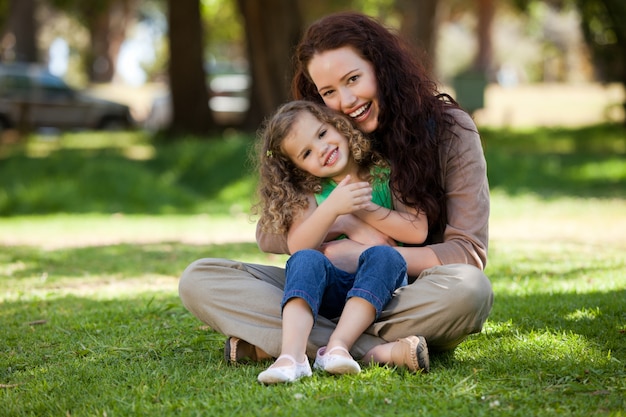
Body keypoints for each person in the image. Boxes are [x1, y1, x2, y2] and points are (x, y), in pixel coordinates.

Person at [179, 11, 493, 373]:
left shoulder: (449, 130)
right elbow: (270, 235)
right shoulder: (321, 141)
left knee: (470, 290)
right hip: (320, 285)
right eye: (329, 92)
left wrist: (362, 250)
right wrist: (331, 221)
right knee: (200, 280)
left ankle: (291, 345)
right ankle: (373, 350)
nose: (345, 101)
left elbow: (466, 252)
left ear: (382, 68)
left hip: (403, 293)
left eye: (354, 79)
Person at [253, 100, 429, 384]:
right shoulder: (310, 193)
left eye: (322, 134)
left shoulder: (383, 172)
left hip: (382, 287)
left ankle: (338, 346)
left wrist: (361, 208)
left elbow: (417, 233)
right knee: (306, 259)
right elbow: (299, 246)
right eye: (307, 153)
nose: (322, 149)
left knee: (387, 257)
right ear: (298, 168)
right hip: (330, 291)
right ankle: (292, 355)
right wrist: (334, 209)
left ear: (337, 124)